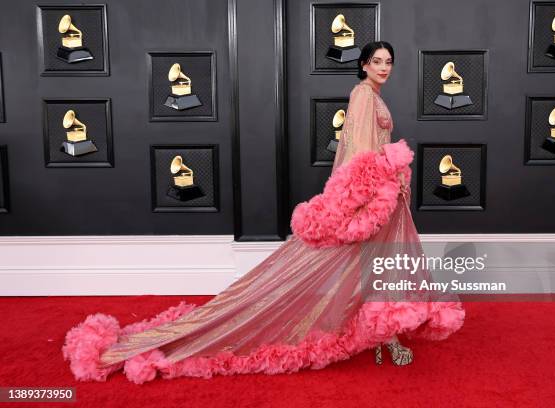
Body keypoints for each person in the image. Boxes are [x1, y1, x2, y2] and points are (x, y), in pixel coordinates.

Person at [62, 41, 465, 384]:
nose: (383, 67)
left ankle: (383, 333)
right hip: (376, 195)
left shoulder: (374, 96)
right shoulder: (363, 95)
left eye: (388, 62)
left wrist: (391, 181)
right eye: (376, 61)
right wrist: (373, 192)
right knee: (374, 260)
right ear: (363, 65)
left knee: (380, 262)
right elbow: (359, 155)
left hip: (384, 194)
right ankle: (382, 334)